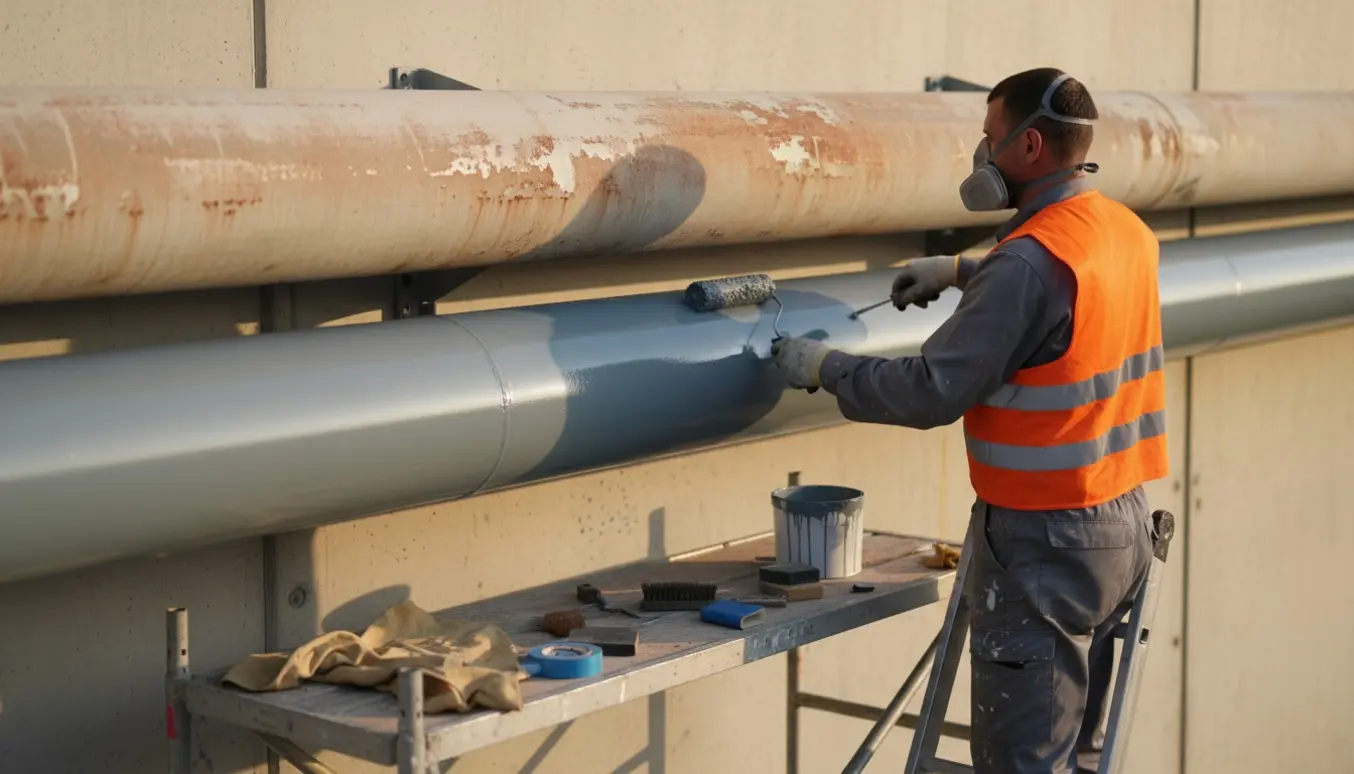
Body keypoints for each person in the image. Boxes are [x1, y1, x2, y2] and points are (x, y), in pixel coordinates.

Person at [771, 68, 1168, 774]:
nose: (982, 155)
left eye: (990, 138)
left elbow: (931, 391)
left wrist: (824, 368)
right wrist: (961, 270)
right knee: (1076, 759)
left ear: (1030, 146)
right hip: (1120, 529)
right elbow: (1059, 296)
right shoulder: (1122, 230)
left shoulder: (1026, 266)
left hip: (1044, 542)